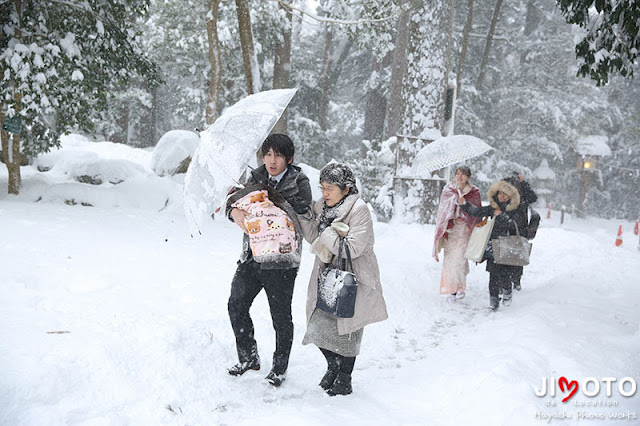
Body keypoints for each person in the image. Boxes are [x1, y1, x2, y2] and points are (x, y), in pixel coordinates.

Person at [224, 134, 312, 387]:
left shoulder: (299, 181)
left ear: (289, 159)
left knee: (280, 316)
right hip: (252, 255)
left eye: (279, 156)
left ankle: (279, 368)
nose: (272, 161)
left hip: (282, 259)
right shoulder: (255, 178)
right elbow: (238, 204)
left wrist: (271, 199)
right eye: (268, 154)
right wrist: (234, 211)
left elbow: (301, 215)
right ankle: (248, 357)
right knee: (236, 304)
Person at [298, 163, 388, 396]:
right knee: (318, 325)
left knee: (349, 328)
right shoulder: (322, 206)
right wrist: (304, 215)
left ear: (346, 189)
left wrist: (326, 230)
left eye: (330, 188)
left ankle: (345, 377)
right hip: (327, 272)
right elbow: (312, 236)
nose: (324, 193)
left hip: (355, 275)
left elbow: (352, 248)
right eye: (322, 187)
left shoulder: (359, 210)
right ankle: (333, 366)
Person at [458, 179, 522, 311]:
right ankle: (493, 301)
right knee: (493, 273)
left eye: (505, 194)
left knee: (504, 274)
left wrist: (502, 216)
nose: (502, 197)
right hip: (493, 246)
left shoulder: (515, 209)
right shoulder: (493, 208)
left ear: (510, 196)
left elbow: (516, 226)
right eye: (500, 194)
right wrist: (464, 204)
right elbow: (477, 211)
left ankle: (507, 290)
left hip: (507, 247)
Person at [432, 165, 482, 302]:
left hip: (464, 230)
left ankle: (460, 287)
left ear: (468, 177)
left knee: (460, 259)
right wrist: (455, 203)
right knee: (450, 261)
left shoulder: (474, 192)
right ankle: (452, 290)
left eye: (463, 174)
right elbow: (443, 211)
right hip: (451, 230)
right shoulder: (449, 190)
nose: (460, 176)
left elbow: (477, 212)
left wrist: (464, 204)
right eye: (457, 173)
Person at [501, 172, 538, 291]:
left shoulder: (524, 193)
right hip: (506, 226)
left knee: (518, 255)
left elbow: (533, 198)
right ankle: (505, 281)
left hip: (521, 228)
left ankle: (516, 280)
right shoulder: (504, 195)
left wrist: (524, 183)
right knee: (505, 255)